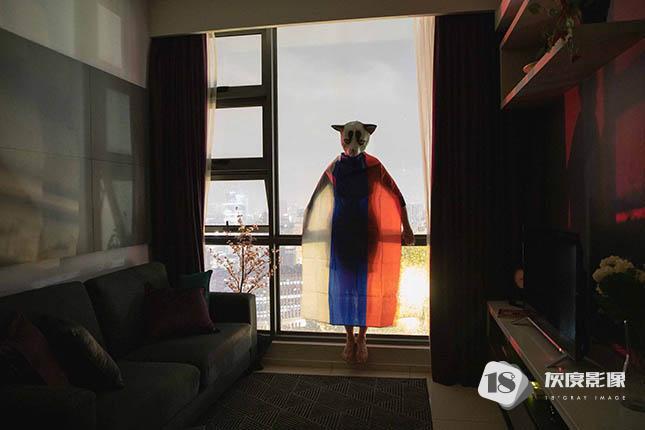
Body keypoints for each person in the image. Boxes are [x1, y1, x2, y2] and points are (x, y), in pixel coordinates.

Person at [300, 121, 414, 363]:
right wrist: (307, 227)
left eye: (359, 141)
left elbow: (397, 194)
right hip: (341, 235)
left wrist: (407, 227)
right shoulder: (335, 167)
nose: (352, 146)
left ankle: (362, 337)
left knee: (364, 289)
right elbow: (316, 197)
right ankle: (348, 337)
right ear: (341, 138)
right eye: (348, 140)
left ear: (366, 139)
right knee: (344, 287)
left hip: (368, 234)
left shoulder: (374, 166)